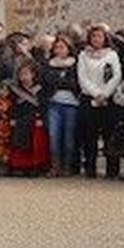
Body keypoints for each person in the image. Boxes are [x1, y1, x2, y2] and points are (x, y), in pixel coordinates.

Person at [77, 25, 123, 180]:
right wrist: (96, 94)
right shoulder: (83, 55)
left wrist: (105, 94)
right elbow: (82, 77)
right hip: (89, 99)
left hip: (107, 100)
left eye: (100, 36)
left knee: (109, 135)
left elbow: (116, 76)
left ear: (105, 39)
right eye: (94, 36)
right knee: (90, 136)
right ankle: (90, 169)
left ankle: (112, 170)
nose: (96, 39)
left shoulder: (112, 55)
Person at [42, 34, 82, 176]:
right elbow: (47, 81)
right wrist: (62, 80)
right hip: (54, 103)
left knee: (68, 137)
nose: (59, 50)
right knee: (54, 136)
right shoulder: (49, 64)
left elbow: (75, 83)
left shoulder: (75, 63)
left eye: (62, 47)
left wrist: (60, 81)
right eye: (57, 47)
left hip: (71, 104)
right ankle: (55, 166)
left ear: (68, 48)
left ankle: (67, 166)